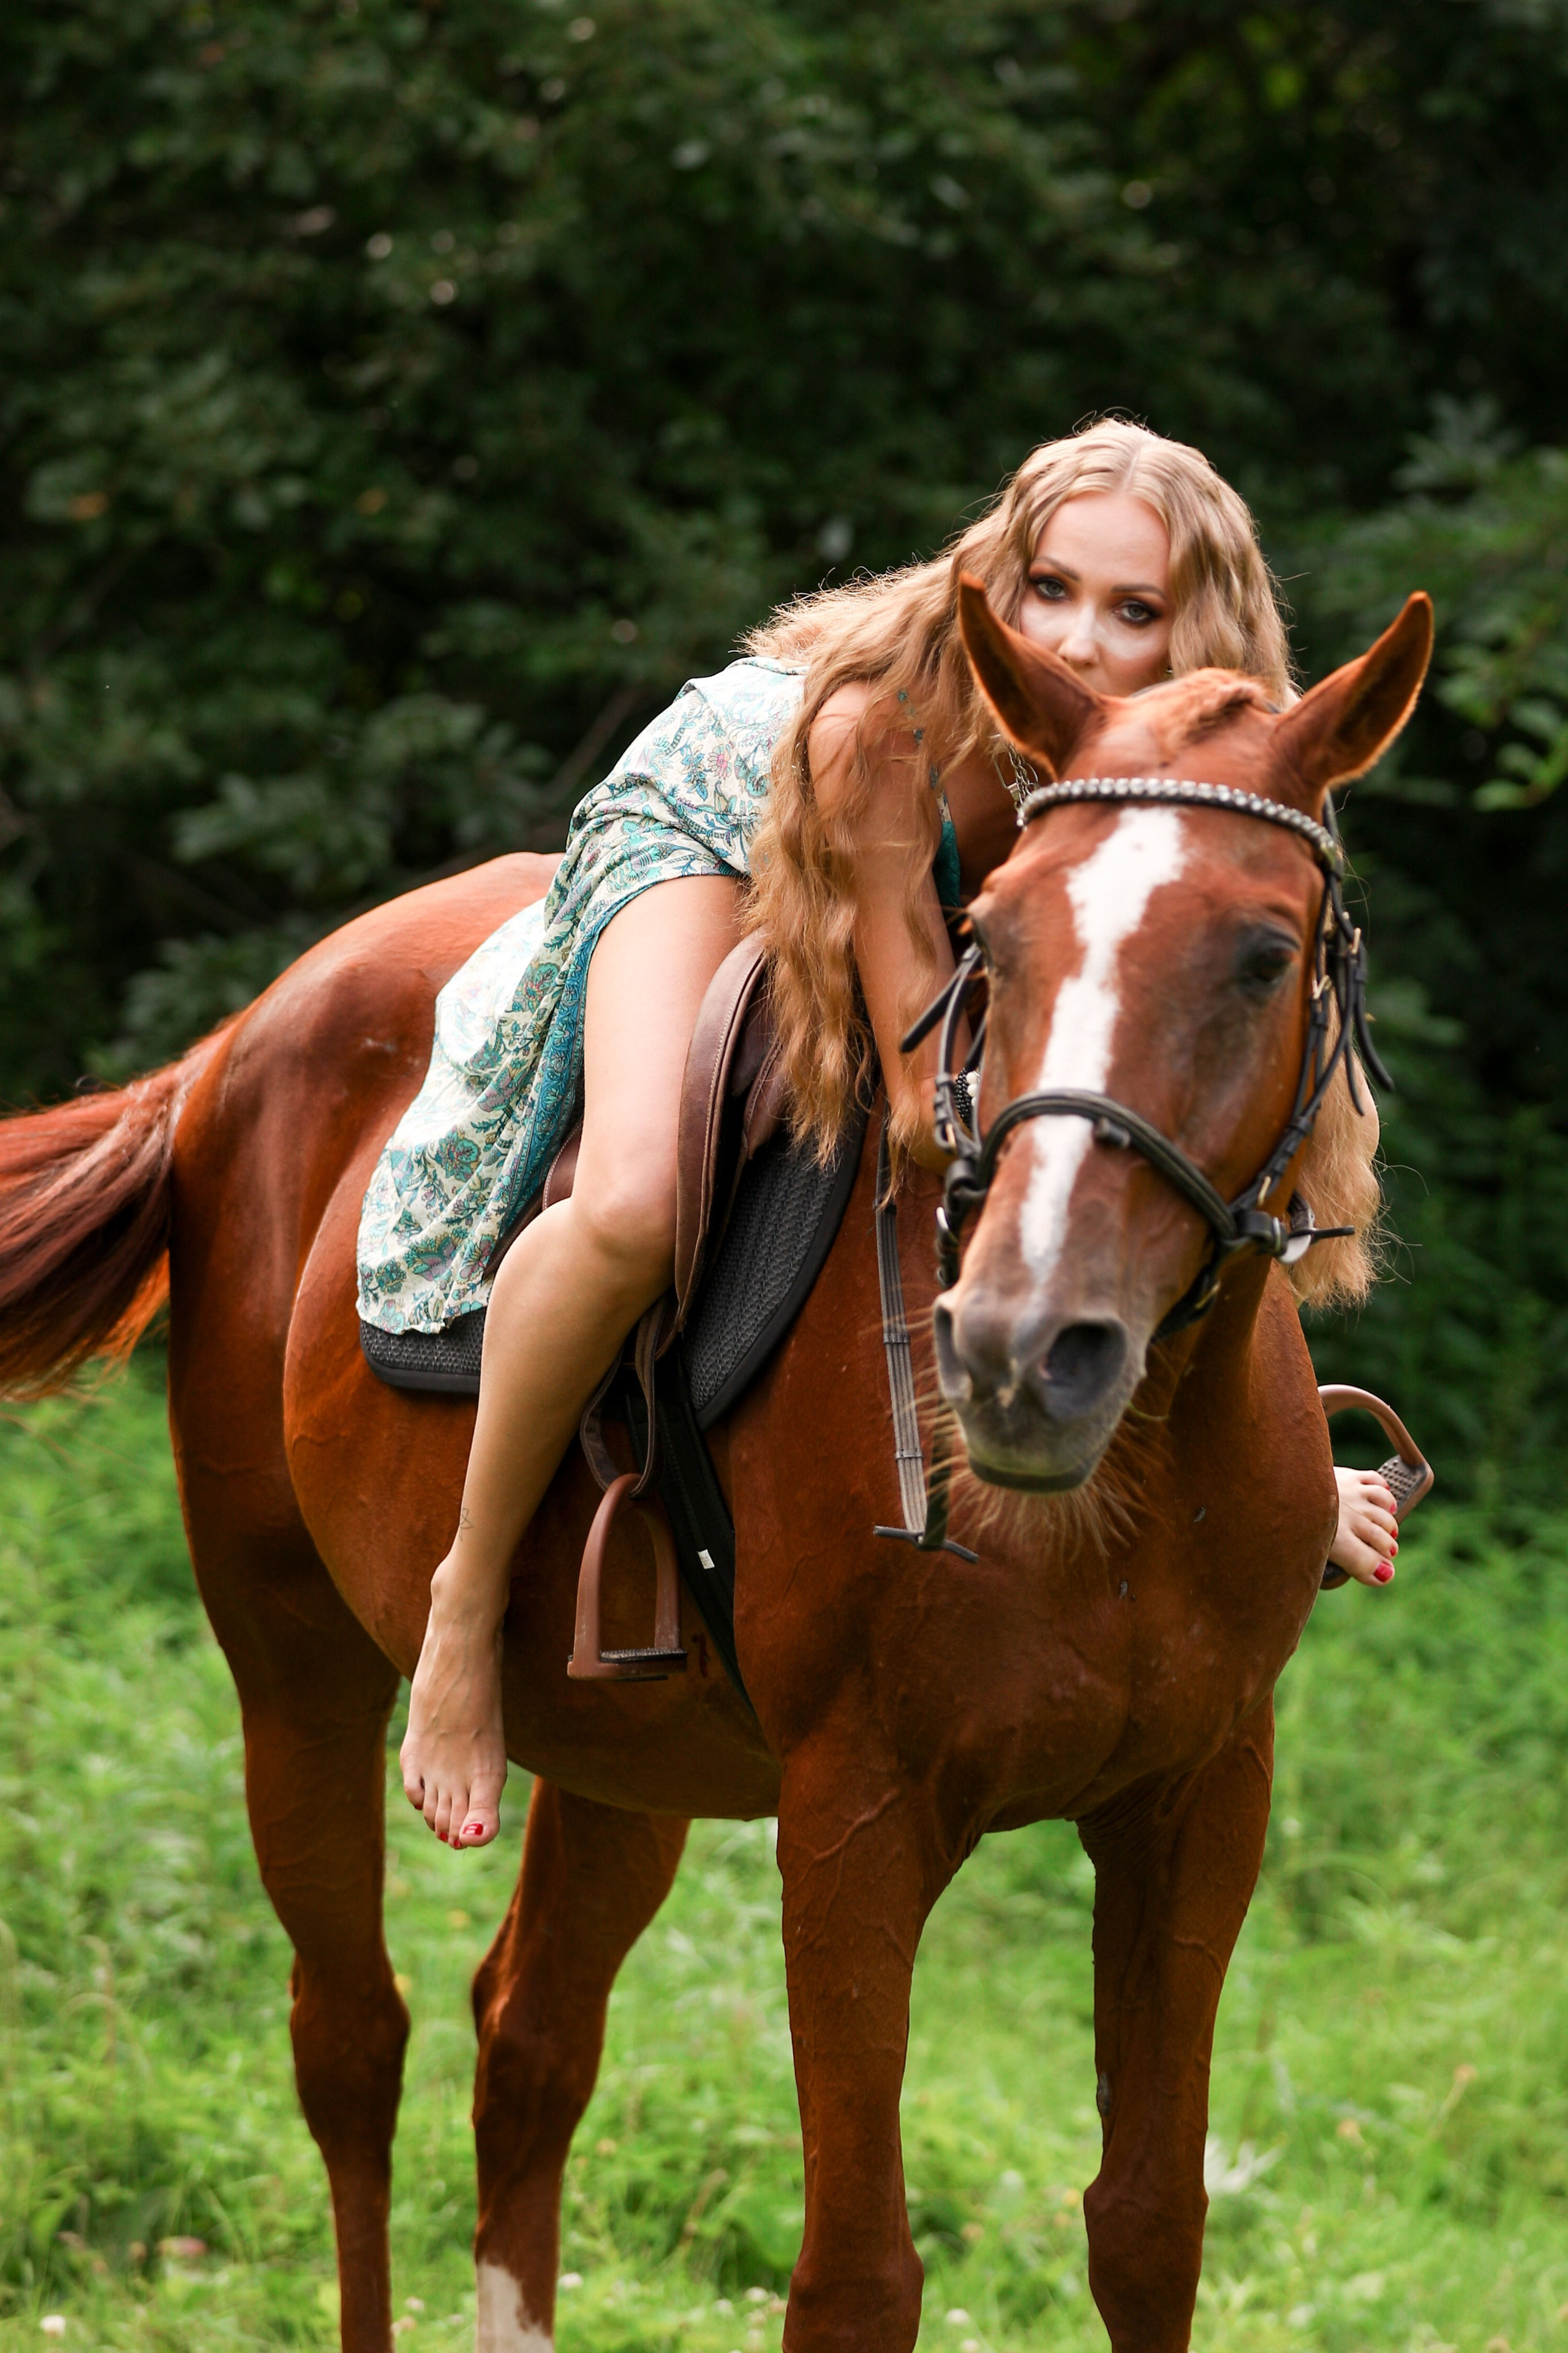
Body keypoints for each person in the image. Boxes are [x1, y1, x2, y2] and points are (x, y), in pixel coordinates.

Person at [356, 418, 1401, 1851]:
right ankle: (465, 1606)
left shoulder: (1197, 789)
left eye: (1132, 609)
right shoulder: (885, 727)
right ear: (997, 577)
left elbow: (1167, 1135)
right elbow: (921, 1099)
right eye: (1046, 588)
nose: (1080, 640)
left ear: (1197, 628)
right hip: (728, 816)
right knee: (637, 1201)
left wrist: (1272, 1477)